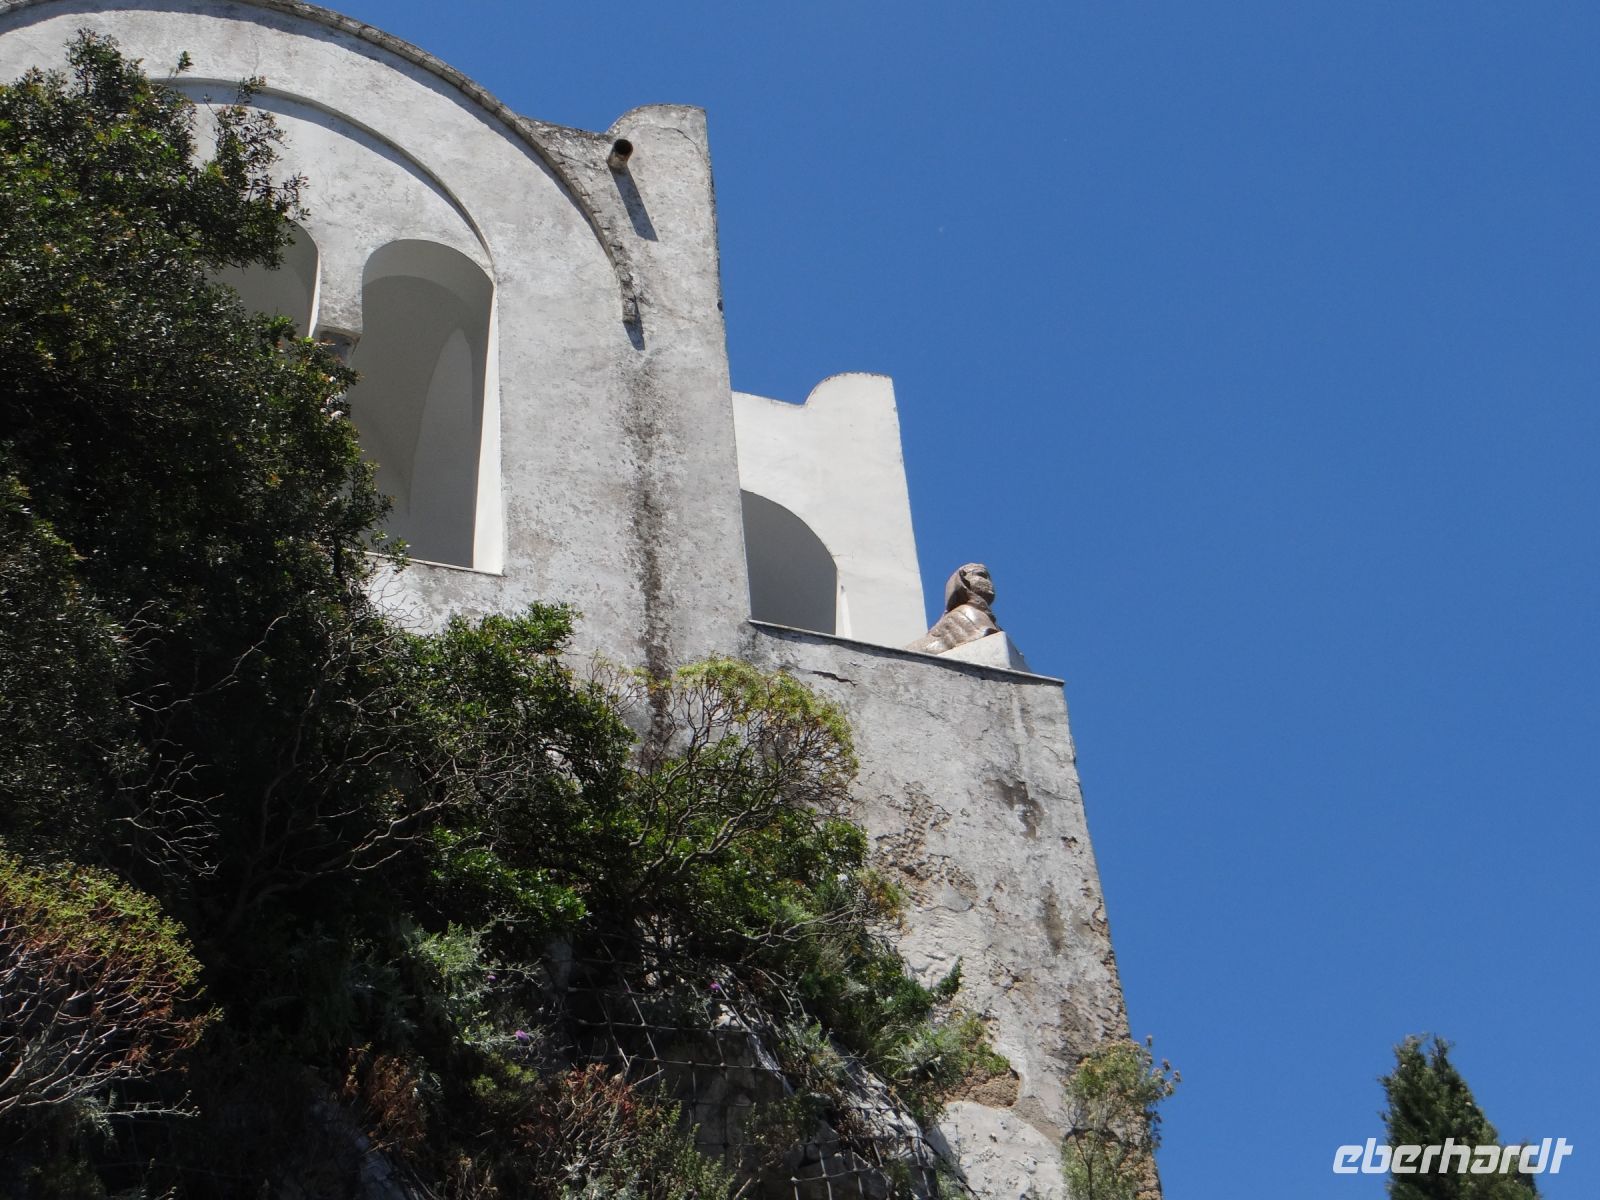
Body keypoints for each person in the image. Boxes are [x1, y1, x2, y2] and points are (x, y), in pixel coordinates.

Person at [907, 563, 1001, 654]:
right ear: (963, 580)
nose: (988, 582)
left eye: (988, 578)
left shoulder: (985, 617)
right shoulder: (964, 613)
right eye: (981, 575)